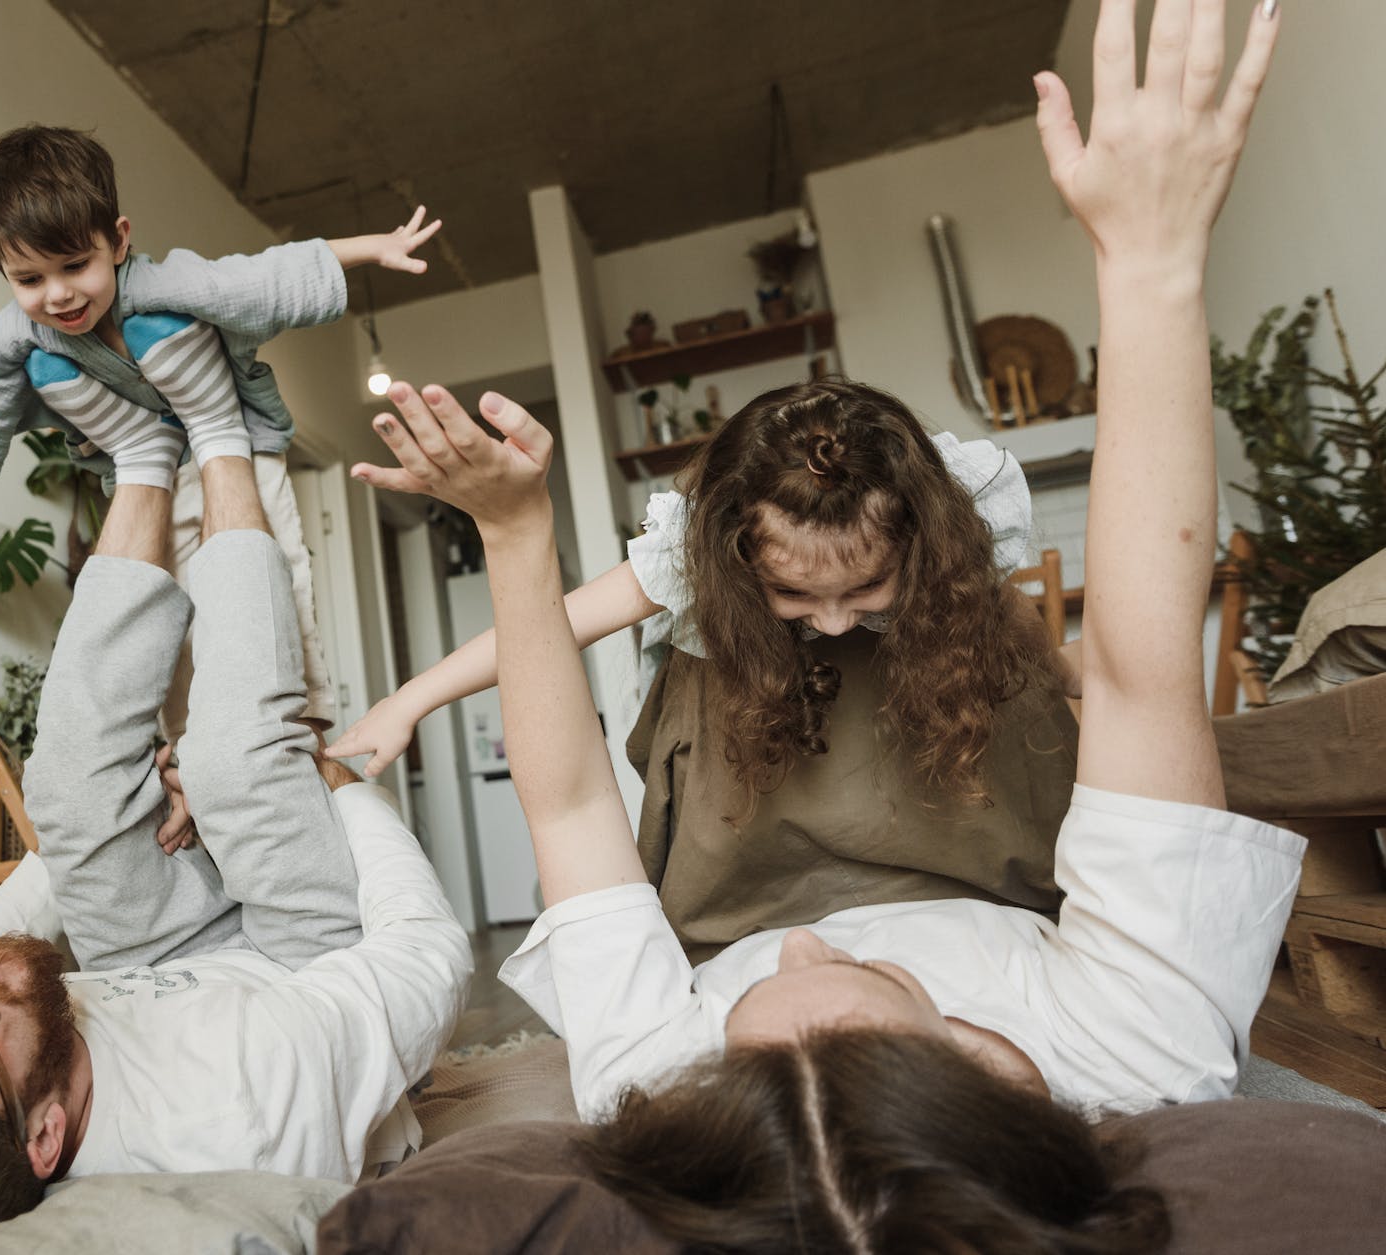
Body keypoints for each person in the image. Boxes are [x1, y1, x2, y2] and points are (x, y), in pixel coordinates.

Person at [350, 0, 1292, 1244]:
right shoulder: (1136, 1045)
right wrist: (1152, 266)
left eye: (744, 1051)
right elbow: (1139, 670)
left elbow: (571, 807)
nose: (795, 955)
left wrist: (512, 535)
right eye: (841, 1014)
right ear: (983, 1076)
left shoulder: (659, 1076)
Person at [0, 431, 472, 1254]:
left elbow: (46, 885)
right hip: (304, 972)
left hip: (165, 962)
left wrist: (128, 809)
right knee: (238, 759)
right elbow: (426, 954)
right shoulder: (241, 1108)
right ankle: (218, 432)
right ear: (45, 1139)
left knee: (69, 788)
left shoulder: (12, 1078)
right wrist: (332, 781)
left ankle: (141, 451)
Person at [330, 331, 1078, 966]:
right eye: (796, 595)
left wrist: (1062, 676)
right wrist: (410, 700)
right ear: (738, 556)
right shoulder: (698, 553)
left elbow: (999, 609)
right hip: (753, 751)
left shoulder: (955, 521)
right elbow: (550, 625)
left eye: (866, 588)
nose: (837, 622)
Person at [0, 123, 440, 743]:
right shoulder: (18, 329)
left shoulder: (163, 284)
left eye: (75, 266)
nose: (58, 295)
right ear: (5, 273)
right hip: (150, 460)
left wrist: (376, 246)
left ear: (118, 241)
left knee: (276, 571)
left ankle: (303, 715)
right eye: (29, 280)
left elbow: (260, 276)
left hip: (235, 438)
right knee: (174, 605)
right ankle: (187, 739)